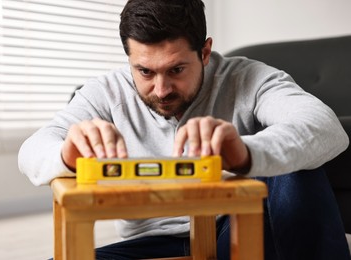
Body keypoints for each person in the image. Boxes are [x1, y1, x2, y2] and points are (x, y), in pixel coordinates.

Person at [18, 0, 351, 259]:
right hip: (148, 243)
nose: (161, 89)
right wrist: (66, 153)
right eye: (145, 71)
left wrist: (247, 153)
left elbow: (325, 127)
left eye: (176, 69)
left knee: (294, 164)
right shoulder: (104, 91)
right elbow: (32, 150)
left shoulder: (248, 77)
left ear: (205, 52)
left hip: (232, 231)